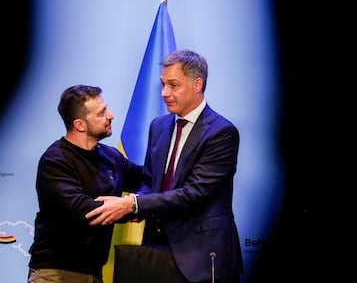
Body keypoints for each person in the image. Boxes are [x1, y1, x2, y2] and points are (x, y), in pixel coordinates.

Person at [85, 49, 244, 283]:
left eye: (173, 85)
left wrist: (133, 204)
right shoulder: (158, 126)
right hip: (155, 250)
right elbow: (151, 181)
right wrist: (134, 206)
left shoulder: (221, 133)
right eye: (162, 84)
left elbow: (194, 194)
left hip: (200, 257)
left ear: (197, 84)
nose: (164, 93)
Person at [27, 85, 146, 283]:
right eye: (102, 113)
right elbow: (84, 210)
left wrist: (138, 202)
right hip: (56, 274)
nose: (111, 115)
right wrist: (130, 208)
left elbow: (146, 179)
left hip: (93, 274)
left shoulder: (111, 156)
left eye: (106, 108)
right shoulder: (55, 161)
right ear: (80, 125)